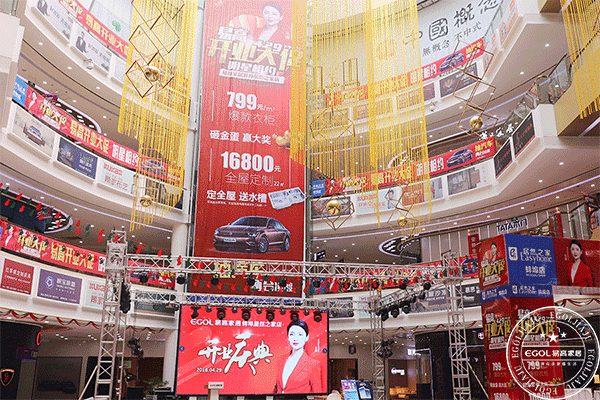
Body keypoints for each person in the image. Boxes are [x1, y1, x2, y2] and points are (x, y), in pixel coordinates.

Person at [274, 319, 323, 394]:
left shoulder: (313, 364)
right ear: (288, 337)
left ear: (306, 337)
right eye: (292, 334)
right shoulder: (281, 359)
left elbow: (317, 392)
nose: (295, 338)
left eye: (300, 334)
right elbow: (277, 387)